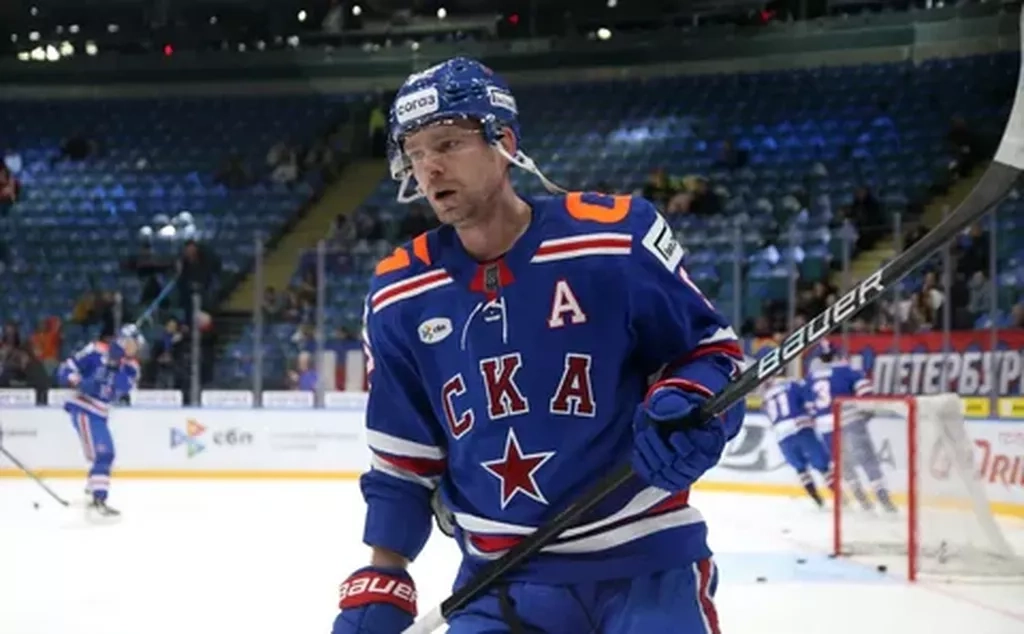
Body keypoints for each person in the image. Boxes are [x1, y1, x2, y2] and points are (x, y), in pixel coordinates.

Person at [332, 57, 746, 634]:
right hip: (499, 584)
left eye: (447, 143)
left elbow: (711, 354)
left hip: (646, 562)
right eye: (415, 152)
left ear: (503, 142)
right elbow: (405, 454)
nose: (430, 167)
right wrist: (386, 569)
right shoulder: (401, 293)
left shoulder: (612, 241)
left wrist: (692, 407)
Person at [57, 325, 144, 517]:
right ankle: (98, 498)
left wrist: (114, 366)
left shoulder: (131, 367)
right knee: (103, 454)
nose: (136, 348)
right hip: (84, 408)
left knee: (104, 455)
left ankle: (93, 491)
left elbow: (120, 390)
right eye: (133, 344)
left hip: (100, 414)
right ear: (123, 341)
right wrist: (79, 381)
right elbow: (66, 369)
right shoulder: (96, 350)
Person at [804, 341, 896, 513]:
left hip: (825, 426)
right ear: (836, 354)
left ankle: (861, 499)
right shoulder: (847, 370)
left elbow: (810, 407)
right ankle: (883, 497)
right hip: (850, 420)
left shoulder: (811, 378)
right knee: (867, 459)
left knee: (844, 464)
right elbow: (866, 394)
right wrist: (867, 413)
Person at [761, 377, 834, 508]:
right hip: (801, 427)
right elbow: (809, 403)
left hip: (782, 435)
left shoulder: (766, 397)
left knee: (800, 469)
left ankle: (817, 499)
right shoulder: (793, 384)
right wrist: (813, 416)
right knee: (823, 466)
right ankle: (840, 498)